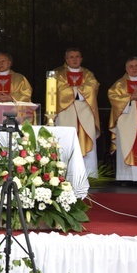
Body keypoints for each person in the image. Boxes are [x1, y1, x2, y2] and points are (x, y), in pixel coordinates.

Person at [53, 48, 100, 177]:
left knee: (87, 139)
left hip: (86, 113)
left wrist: (73, 90)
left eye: (77, 57)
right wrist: (79, 91)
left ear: (81, 59)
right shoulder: (59, 74)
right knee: (65, 141)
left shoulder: (88, 74)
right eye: (71, 57)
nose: (74, 59)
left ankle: (89, 174)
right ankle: (66, 174)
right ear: (66, 59)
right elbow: (59, 90)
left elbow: (93, 87)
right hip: (66, 113)